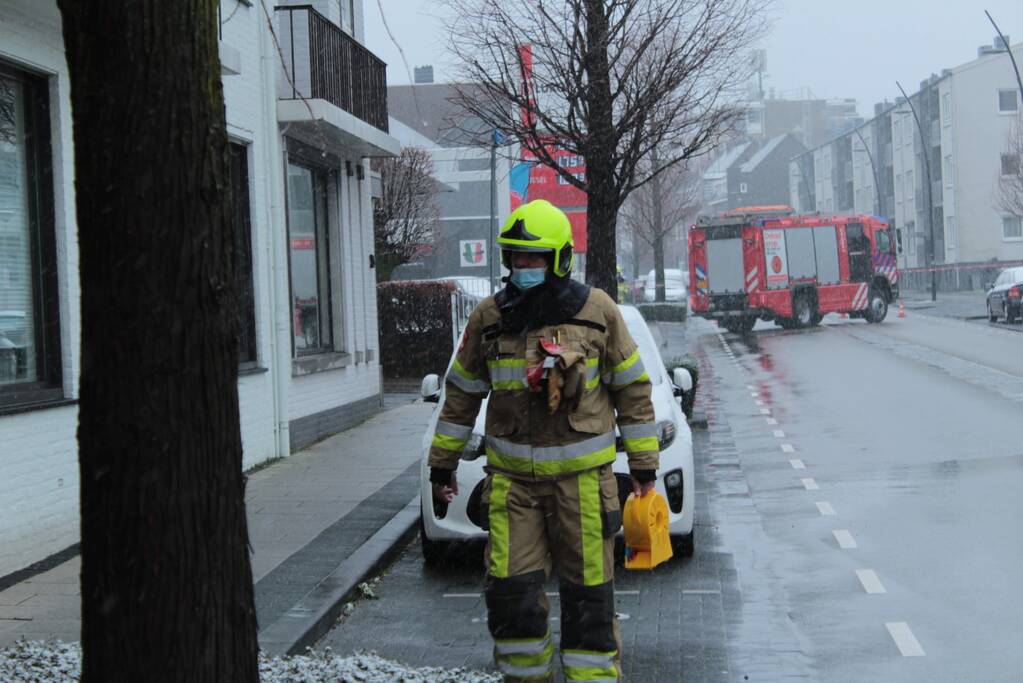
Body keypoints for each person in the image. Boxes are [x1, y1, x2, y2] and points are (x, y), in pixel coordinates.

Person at [427, 199, 659, 682]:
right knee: (512, 600)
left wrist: (643, 467)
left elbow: (633, 389)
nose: (522, 267)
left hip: (584, 489)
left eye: (533, 258)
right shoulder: (490, 317)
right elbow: (461, 394)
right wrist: (441, 465)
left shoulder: (598, 312)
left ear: (559, 258)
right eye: (514, 258)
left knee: (589, 602)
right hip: (513, 489)